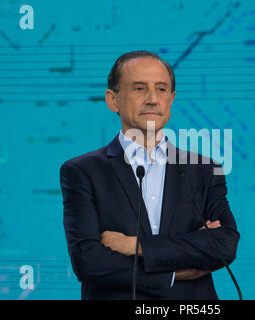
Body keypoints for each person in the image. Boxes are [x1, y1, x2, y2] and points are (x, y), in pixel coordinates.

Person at [60, 51, 240, 300]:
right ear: (113, 100)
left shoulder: (204, 169)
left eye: (162, 89)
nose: (153, 99)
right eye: (139, 89)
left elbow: (224, 244)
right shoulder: (82, 171)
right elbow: (89, 261)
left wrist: (134, 246)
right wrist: (173, 273)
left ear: (171, 99)